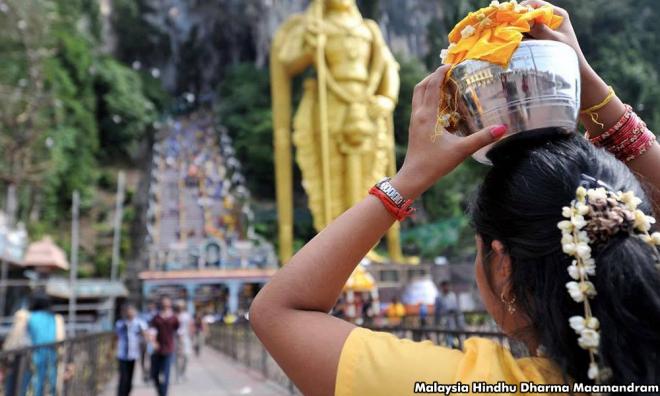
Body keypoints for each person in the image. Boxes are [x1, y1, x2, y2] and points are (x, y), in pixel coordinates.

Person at [249, 2, 660, 394]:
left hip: (358, 115)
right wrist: (593, 93)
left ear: (502, 267)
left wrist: (408, 178)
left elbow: (277, 312)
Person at [26, 292, 65, 396]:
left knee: (36, 382)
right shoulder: (53, 318)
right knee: (52, 382)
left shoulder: (30, 317)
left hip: (36, 353)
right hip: (52, 352)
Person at [149, 297, 179, 396]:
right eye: (163, 304)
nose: (165, 305)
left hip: (169, 348)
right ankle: (160, 392)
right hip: (157, 349)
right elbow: (152, 331)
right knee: (154, 374)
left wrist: (181, 345)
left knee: (166, 375)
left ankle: (164, 394)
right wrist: (153, 342)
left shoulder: (174, 318)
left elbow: (179, 331)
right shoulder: (156, 317)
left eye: (167, 304)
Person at [115, 303, 147, 396]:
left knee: (129, 379)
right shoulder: (120, 323)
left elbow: (145, 336)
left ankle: (127, 392)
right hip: (122, 354)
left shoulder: (139, 323)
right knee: (123, 378)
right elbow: (116, 337)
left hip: (133, 354)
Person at [173, 300, 192, 383]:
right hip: (175, 338)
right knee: (177, 357)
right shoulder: (173, 316)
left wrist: (191, 336)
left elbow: (190, 326)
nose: (180, 308)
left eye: (181, 306)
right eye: (178, 306)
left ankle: (183, 372)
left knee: (186, 356)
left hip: (185, 338)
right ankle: (177, 375)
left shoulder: (187, 316)